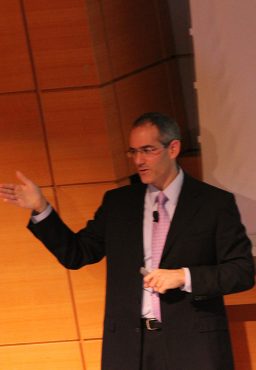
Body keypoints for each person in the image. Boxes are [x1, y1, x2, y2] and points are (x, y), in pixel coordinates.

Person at [0, 112, 254, 370]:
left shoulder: (213, 203)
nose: (139, 160)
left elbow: (241, 272)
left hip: (193, 346)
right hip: (130, 348)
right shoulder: (119, 203)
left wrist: (184, 277)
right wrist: (41, 209)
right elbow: (76, 254)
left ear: (173, 148)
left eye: (148, 150)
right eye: (133, 152)